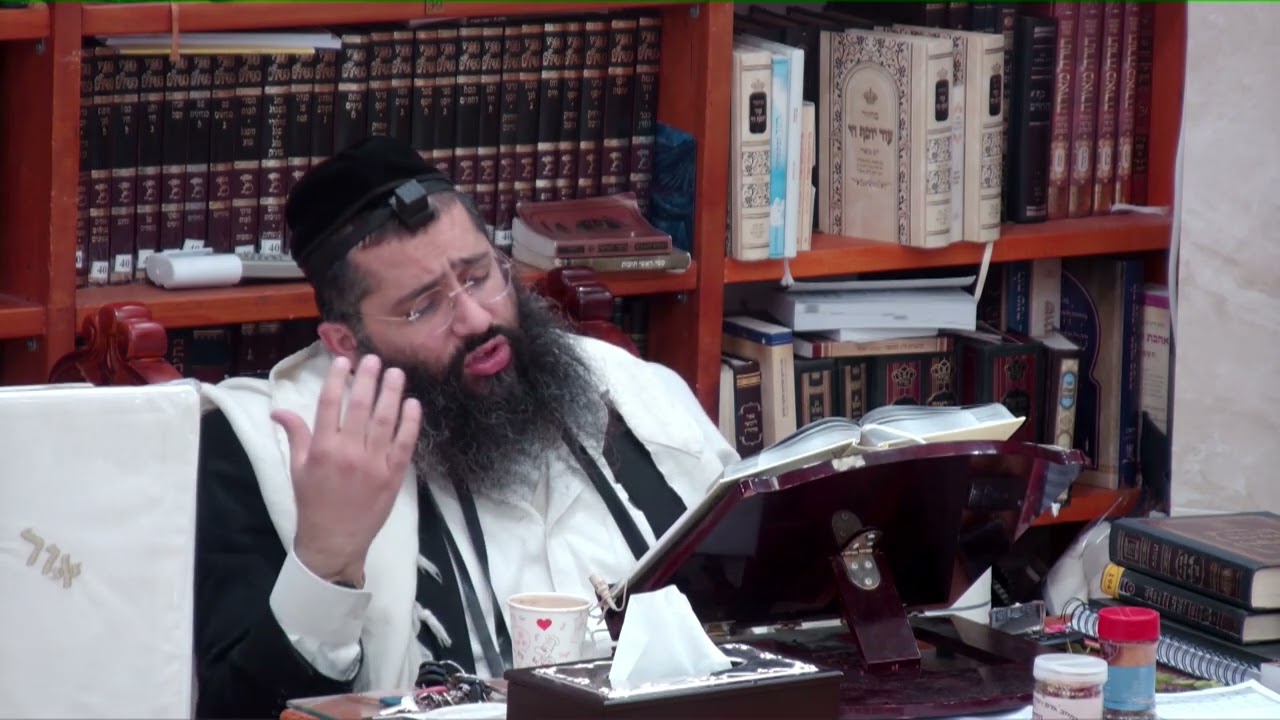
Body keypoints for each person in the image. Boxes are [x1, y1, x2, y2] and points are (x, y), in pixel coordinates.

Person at [192, 136, 737, 719]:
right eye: (423, 307)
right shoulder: (260, 450)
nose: (476, 320)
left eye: (478, 277)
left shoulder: (632, 393)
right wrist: (325, 562)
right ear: (346, 343)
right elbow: (237, 712)